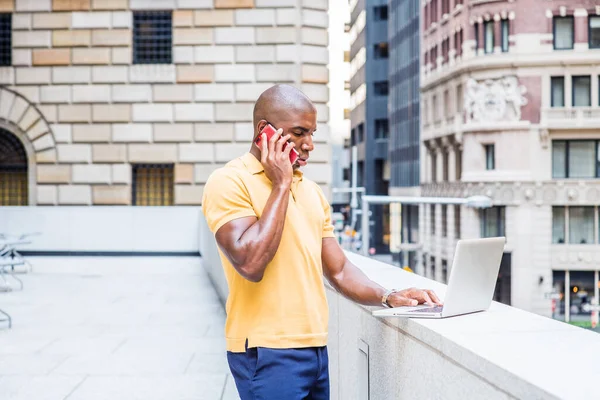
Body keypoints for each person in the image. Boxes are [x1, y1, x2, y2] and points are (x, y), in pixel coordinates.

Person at [201, 84, 442, 400]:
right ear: (264, 131)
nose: (309, 144)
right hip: (266, 351)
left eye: (311, 133)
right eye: (299, 133)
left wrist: (389, 296)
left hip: (315, 349)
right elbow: (250, 262)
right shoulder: (229, 181)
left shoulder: (312, 192)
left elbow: (339, 269)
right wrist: (281, 184)